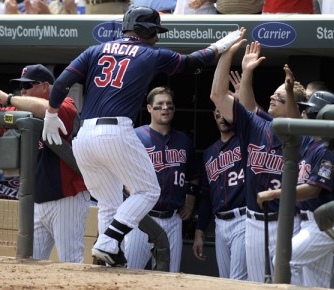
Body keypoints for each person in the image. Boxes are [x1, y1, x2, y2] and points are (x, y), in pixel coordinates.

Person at [41, 6, 242, 267]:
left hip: (84, 136)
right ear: (144, 29)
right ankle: (107, 242)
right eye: (155, 31)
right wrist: (220, 46)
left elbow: (61, 84)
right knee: (148, 191)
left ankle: (107, 256)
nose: (157, 37)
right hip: (115, 131)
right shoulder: (149, 53)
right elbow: (193, 62)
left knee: (109, 202)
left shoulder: (94, 49)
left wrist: (51, 114)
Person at [209, 28, 309, 282]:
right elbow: (217, 96)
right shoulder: (257, 126)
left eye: (280, 96)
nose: (273, 97)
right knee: (256, 284)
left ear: (294, 106)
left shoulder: (303, 135)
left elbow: (295, 127)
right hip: (254, 220)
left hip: (288, 221)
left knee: (287, 284)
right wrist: (228, 57)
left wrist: (290, 90)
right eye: (274, 94)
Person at [0, 64, 90, 263]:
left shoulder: (66, 103)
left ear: (45, 86)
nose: (22, 91)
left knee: (69, 261)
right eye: (20, 87)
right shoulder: (20, 111)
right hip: (36, 201)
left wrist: (9, 98)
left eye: (27, 86)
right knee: (27, 260)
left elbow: (45, 109)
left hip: (67, 198)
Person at [258, 90, 334, 288]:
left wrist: (275, 193)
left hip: (323, 224)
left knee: (283, 260)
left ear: (317, 116)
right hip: (312, 223)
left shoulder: (329, 151)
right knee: (317, 283)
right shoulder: (311, 145)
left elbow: (313, 189)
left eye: (306, 111)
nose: (302, 115)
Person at [124, 86, 198, 272]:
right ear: (149, 108)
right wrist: (129, 187)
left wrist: (189, 202)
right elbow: (121, 171)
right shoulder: (136, 137)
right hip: (143, 217)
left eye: (169, 105)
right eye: (160, 105)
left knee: (170, 277)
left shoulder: (184, 140)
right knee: (130, 272)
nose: (165, 108)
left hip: (172, 218)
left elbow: (194, 176)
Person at [193, 106, 247, 280]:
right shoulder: (209, 153)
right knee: (224, 279)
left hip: (243, 218)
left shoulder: (246, 142)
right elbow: (206, 195)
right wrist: (199, 231)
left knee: (237, 280)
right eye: (218, 112)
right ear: (214, 115)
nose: (222, 116)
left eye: (226, 112)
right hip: (220, 224)